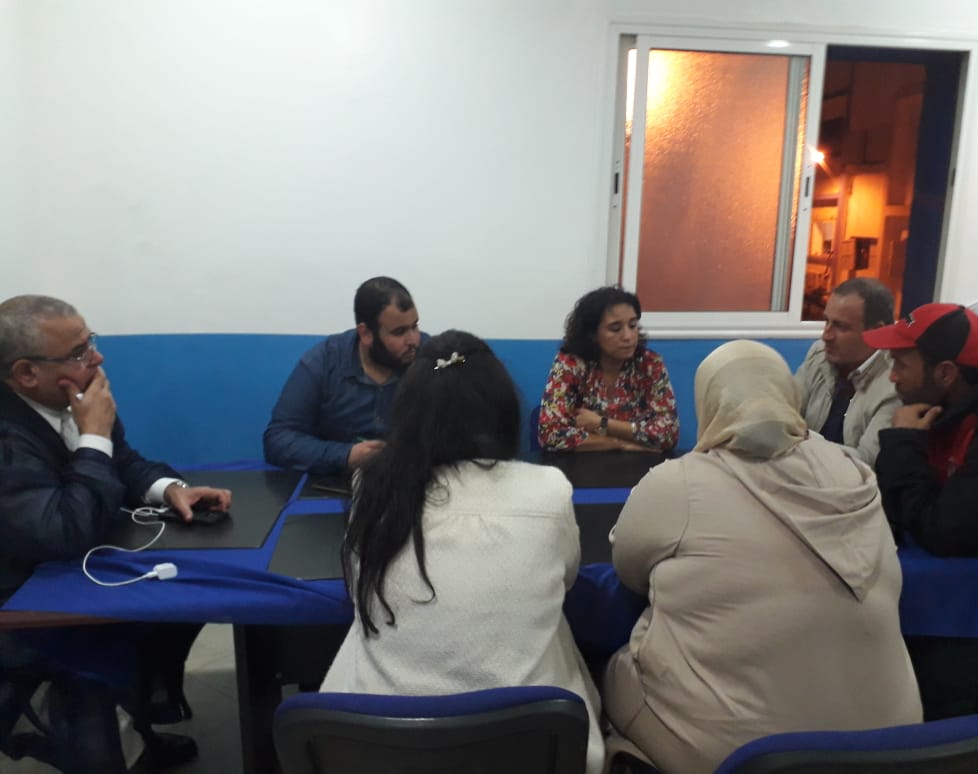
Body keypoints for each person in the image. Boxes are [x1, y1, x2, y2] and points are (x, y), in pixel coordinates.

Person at [603, 340, 921, 774]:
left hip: (745, 758)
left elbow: (629, 571)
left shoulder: (678, 484)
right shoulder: (852, 470)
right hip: (894, 745)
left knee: (615, 668)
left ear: (707, 401)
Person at [320, 330, 604, 774]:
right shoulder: (548, 490)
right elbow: (565, 580)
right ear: (502, 410)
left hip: (377, 746)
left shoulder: (372, 484)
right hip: (532, 747)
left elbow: (359, 590)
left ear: (408, 412)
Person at [0, 294, 232, 772]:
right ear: (26, 373)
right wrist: (93, 436)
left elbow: (122, 462)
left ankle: (137, 728)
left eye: (91, 341)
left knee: (182, 606)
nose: (97, 358)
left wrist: (170, 489)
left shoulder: (74, 395)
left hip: (74, 566)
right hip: (23, 601)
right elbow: (64, 531)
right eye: (79, 352)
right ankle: (109, 747)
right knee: (105, 655)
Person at [864, 302, 978, 719]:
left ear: (945, 373)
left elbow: (945, 533)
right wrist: (954, 524)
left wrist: (903, 445)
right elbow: (892, 511)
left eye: (901, 364)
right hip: (967, 587)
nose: (892, 376)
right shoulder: (941, 411)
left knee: (911, 674)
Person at [263, 276, 427, 476]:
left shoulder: (431, 359)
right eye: (399, 332)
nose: (413, 341)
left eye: (415, 326)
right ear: (366, 334)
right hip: (337, 481)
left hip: (415, 479)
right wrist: (345, 455)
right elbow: (278, 439)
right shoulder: (323, 362)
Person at [537, 286, 678, 452]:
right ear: (592, 334)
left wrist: (602, 423)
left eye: (633, 325)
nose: (628, 336)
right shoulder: (571, 364)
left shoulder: (649, 363)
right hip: (581, 463)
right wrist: (620, 443)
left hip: (640, 463)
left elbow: (668, 433)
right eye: (615, 329)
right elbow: (551, 434)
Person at [796, 277, 899, 465]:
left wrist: (802, 441)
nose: (826, 335)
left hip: (852, 482)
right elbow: (785, 413)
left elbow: (866, 463)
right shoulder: (819, 354)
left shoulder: (896, 383)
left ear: (877, 332)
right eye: (826, 321)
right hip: (805, 471)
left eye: (841, 327)